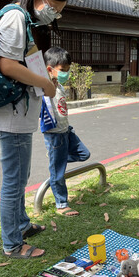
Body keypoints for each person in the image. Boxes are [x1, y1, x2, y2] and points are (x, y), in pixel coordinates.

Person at [0, 0, 69, 259]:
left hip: (18, 114)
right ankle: (12, 244)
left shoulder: (25, 20)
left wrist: (45, 80)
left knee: (19, 178)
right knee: (14, 182)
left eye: (59, 10)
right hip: (11, 116)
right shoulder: (15, 18)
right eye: (53, 6)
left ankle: (21, 225)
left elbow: (28, 61)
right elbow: (7, 64)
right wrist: (45, 84)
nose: (55, 14)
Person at [42, 47, 90, 217]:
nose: (66, 73)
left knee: (84, 154)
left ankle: (56, 159)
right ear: (50, 69)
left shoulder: (59, 85)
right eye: (63, 70)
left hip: (66, 131)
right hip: (54, 135)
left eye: (68, 70)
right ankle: (61, 204)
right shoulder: (42, 87)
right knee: (58, 172)